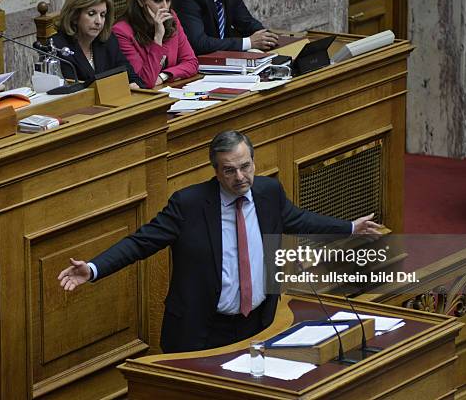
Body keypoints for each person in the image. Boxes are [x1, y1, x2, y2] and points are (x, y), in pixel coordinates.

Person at [58, 130, 382, 353]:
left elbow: (297, 219)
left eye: (245, 167)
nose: (240, 178)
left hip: (258, 321)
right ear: (216, 171)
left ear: (254, 161)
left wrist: (350, 226)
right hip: (202, 330)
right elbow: (141, 242)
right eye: (229, 171)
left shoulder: (268, 192)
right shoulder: (188, 205)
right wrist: (94, 267)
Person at [51, 0, 145, 88]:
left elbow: (133, 77)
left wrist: (134, 85)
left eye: (102, 15)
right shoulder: (58, 47)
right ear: (74, 16)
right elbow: (70, 91)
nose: (98, 21)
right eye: (91, 14)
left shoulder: (108, 40)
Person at [112, 0, 198, 88]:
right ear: (140, 0)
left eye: (168, 0)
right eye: (157, 0)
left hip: (169, 90)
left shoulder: (171, 17)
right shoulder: (121, 31)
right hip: (143, 97)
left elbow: (191, 62)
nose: (165, 7)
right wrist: (158, 38)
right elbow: (143, 81)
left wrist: (164, 76)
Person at [172, 0, 279, 55]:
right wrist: (248, 42)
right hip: (200, 63)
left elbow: (246, 22)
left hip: (226, 59)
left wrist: (266, 37)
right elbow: (198, 43)